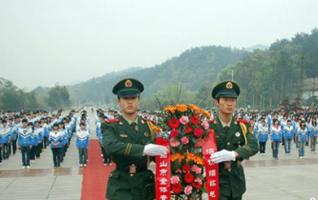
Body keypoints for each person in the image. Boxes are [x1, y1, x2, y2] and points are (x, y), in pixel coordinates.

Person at [101, 78, 167, 200]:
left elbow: (157, 154)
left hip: (144, 185)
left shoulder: (148, 125)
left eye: (133, 98)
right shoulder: (110, 125)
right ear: (119, 102)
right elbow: (110, 146)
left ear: (139, 101)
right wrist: (143, 150)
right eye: (125, 99)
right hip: (121, 186)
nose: (129, 102)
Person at [209, 80, 258, 200]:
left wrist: (234, 154)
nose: (229, 104)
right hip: (217, 179)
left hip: (236, 180)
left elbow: (253, 146)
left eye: (233, 100)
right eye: (225, 100)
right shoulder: (209, 127)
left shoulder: (241, 126)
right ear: (217, 102)